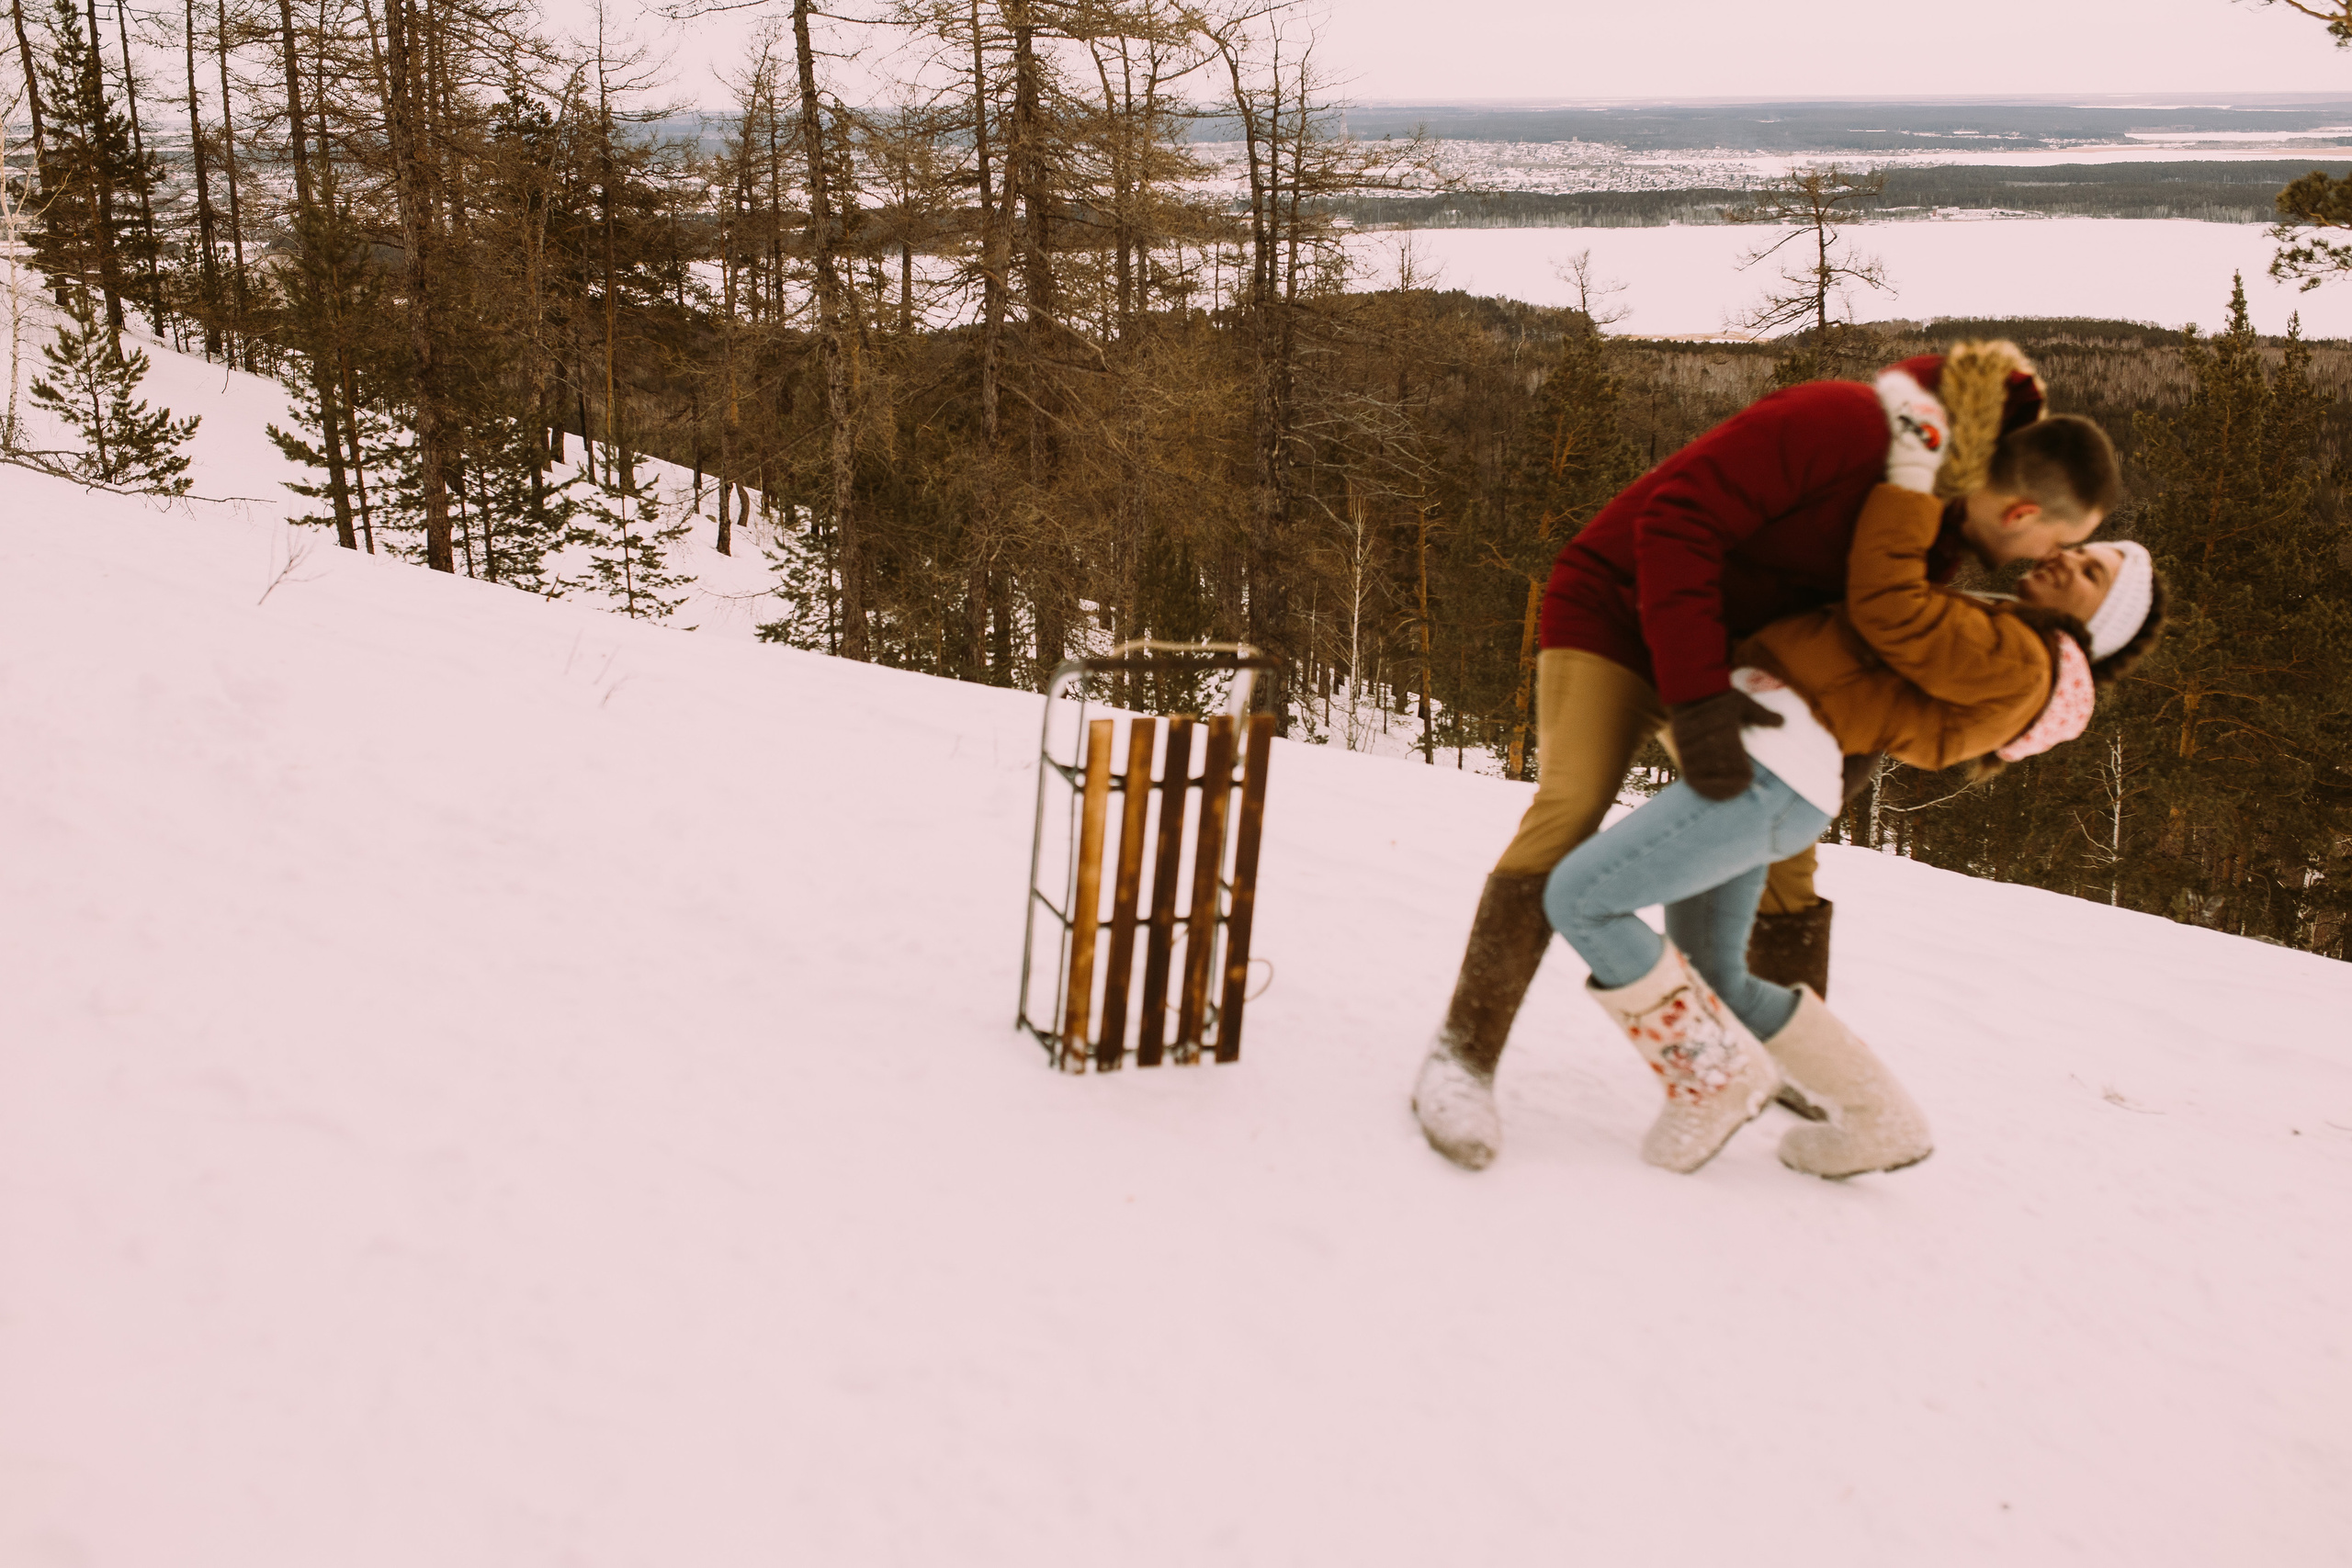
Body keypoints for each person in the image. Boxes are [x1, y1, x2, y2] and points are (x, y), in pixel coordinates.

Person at [1413, 341, 2120, 1172]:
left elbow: (1864, 653)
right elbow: (1674, 520)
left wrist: (1820, 765)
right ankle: (1462, 1058)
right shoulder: (1842, 422)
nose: (2039, 566)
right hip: (1620, 606)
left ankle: (1780, 1062)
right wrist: (1696, 693)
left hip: (1737, 672)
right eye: (2053, 546)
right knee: (1570, 813)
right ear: (2024, 511)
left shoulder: (1932, 523)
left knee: (1785, 860)